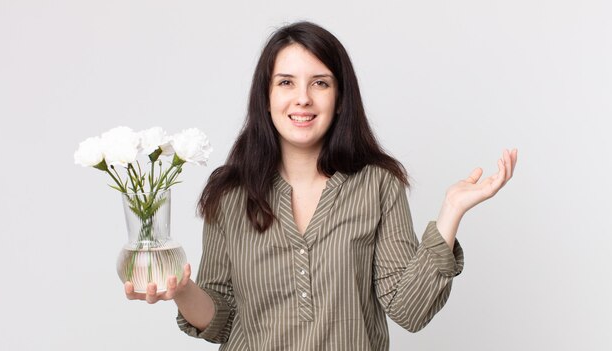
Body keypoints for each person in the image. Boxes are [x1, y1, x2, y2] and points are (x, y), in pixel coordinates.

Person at [125, 21, 517, 350]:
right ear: (265, 96)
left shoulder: (378, 184)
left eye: (320, 83)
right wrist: (180, 290)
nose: (303, 99)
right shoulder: (229, 192)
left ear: (341, 98)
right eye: (286, 83)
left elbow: (409, 310)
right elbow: (221, 321)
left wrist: (450, 212)